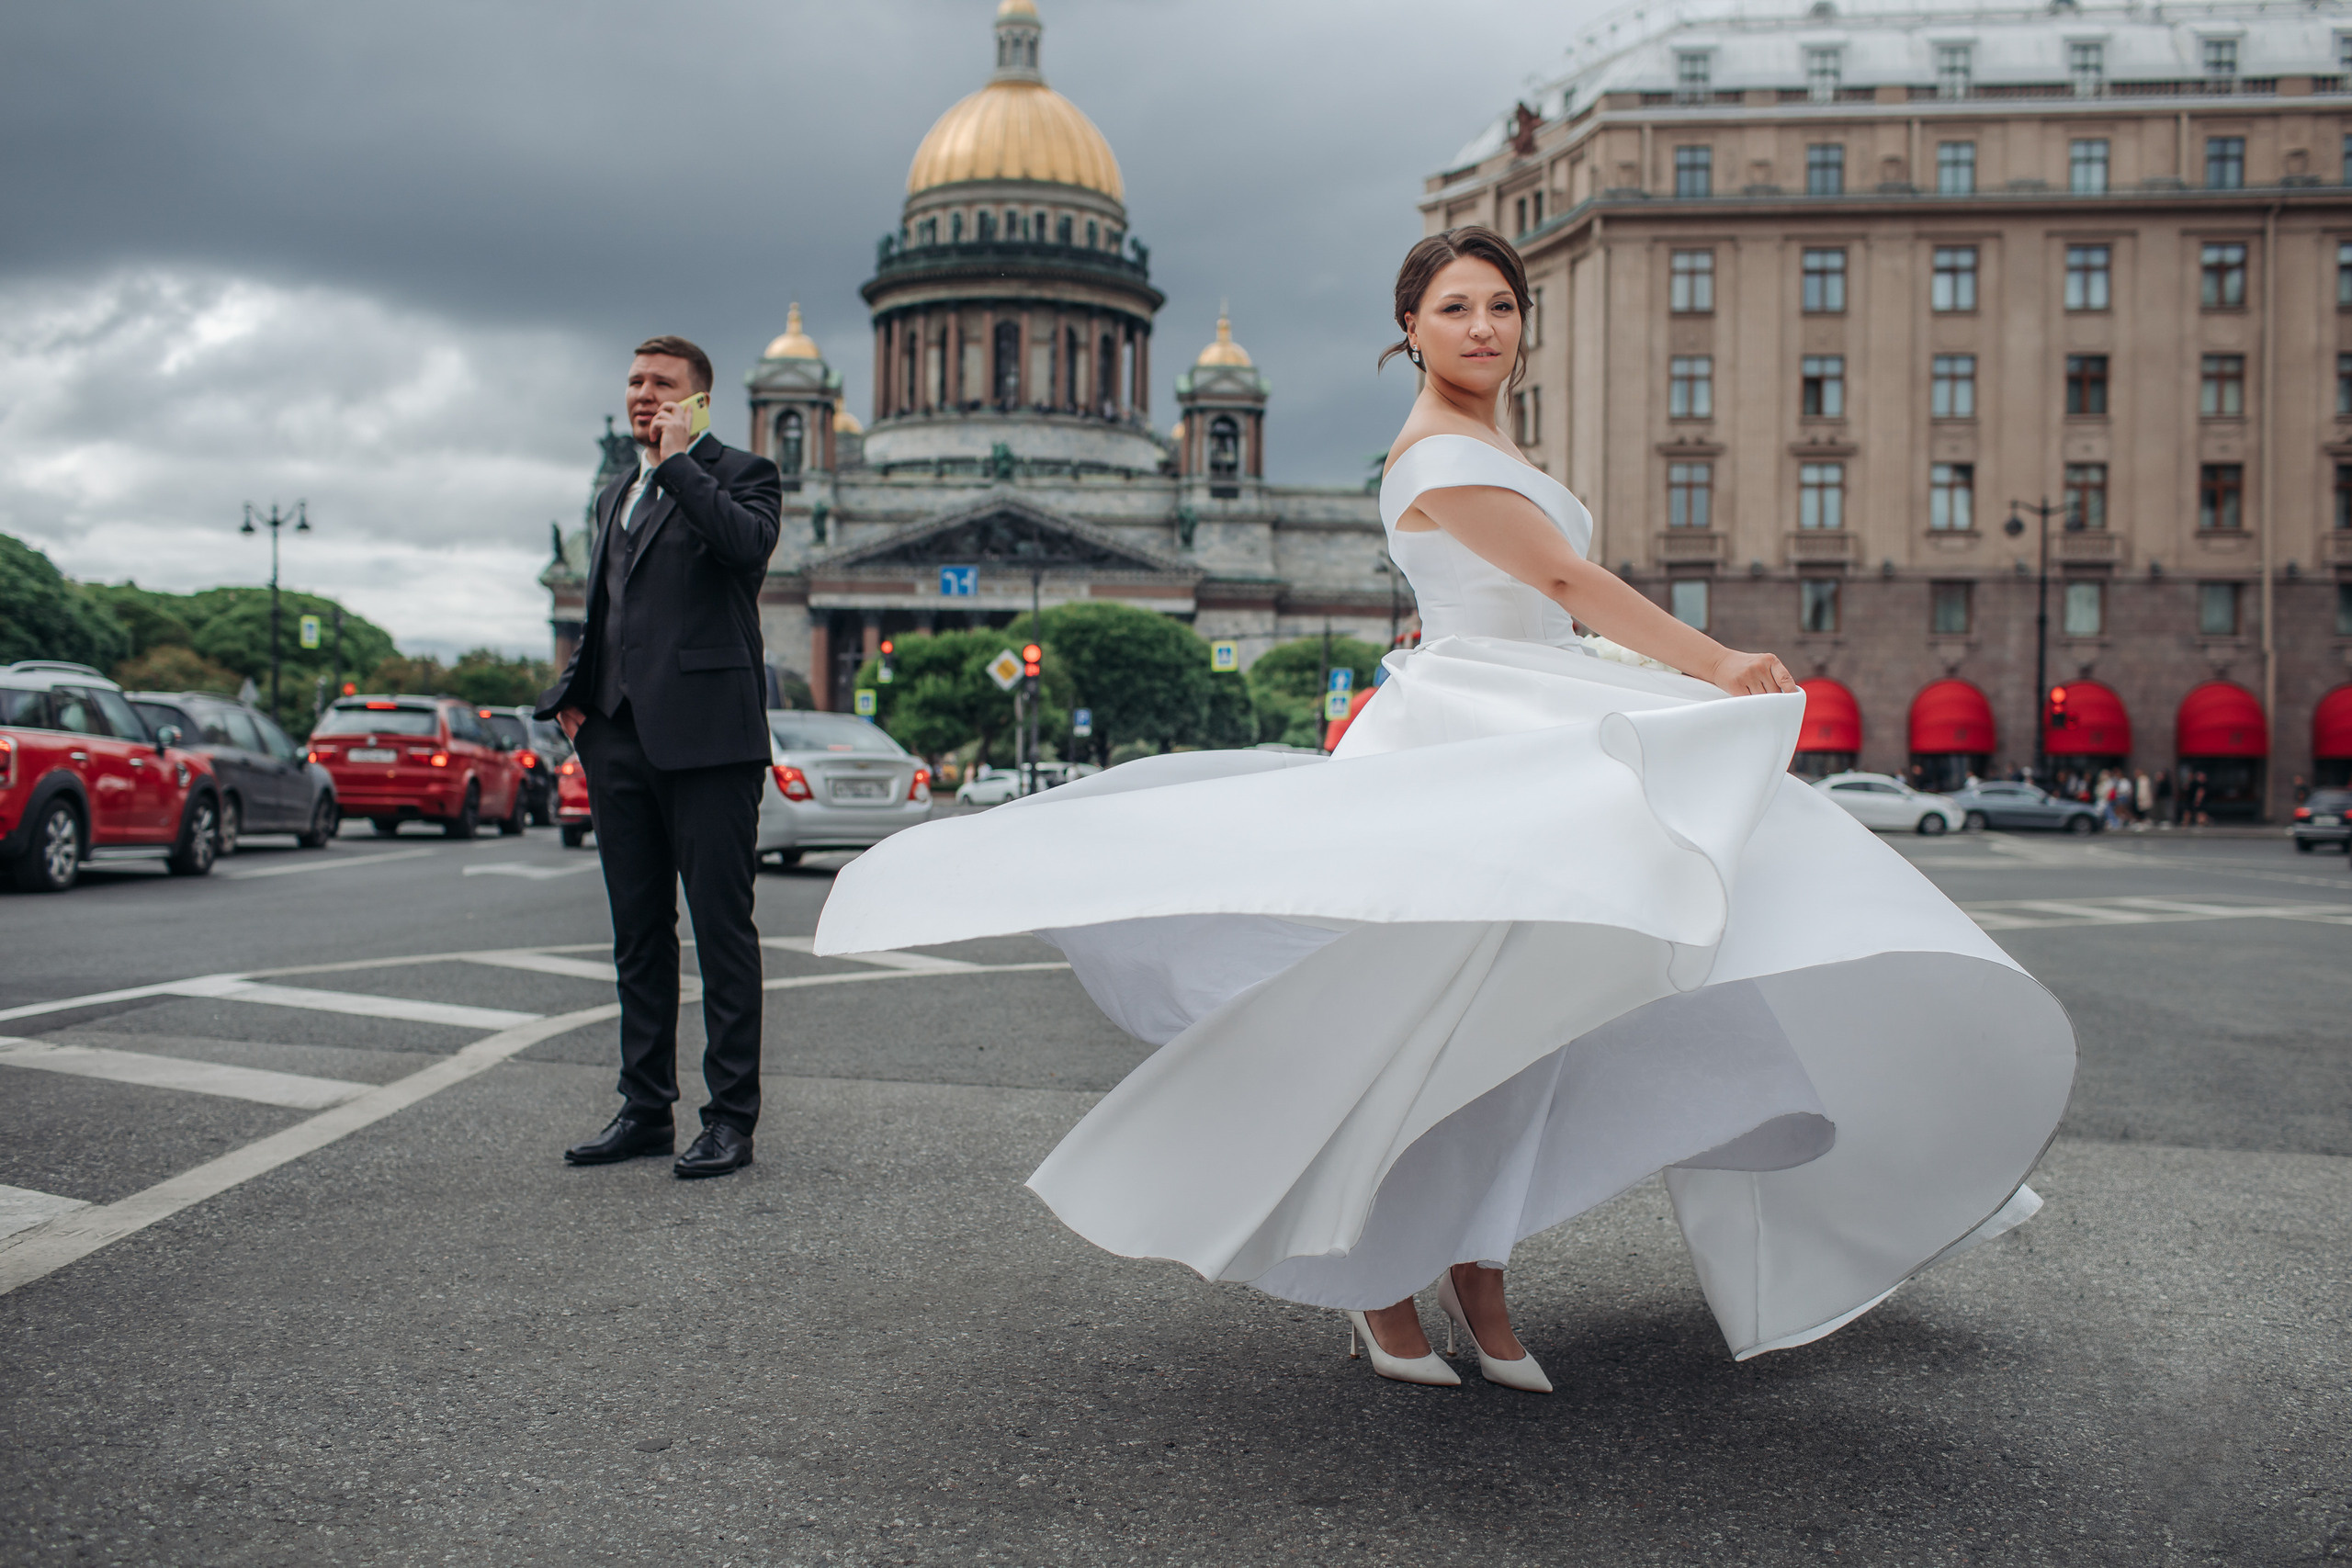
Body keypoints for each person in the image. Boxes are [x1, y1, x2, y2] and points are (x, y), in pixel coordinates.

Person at [812, 228, 2074, 1391]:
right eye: (1455, 307)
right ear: (1408, 328)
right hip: (1479, 739)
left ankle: (1479, 1266)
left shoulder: (1490, 449)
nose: (1483, 326)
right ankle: (1378, 1275)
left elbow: (1539, 594)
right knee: (1435, 1023)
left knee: (1536, 1028)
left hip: (1529, 719)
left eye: (1502, 306)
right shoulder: (1432, 453)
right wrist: (1716, 662)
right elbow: (1562, 577)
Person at [539, 336, 783, 1179]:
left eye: (663, 384)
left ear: (698, 399)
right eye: (636, 381)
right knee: (638, 934)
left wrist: (680, 463)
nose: (644, 394)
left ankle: (731, 1118)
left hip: (711, 741)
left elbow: (744, 549)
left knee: (721, 932)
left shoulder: (743, 475)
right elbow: (607, 610)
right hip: (617, 739)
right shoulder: (617, 492)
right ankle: (645, 1107)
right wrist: (573, 694)